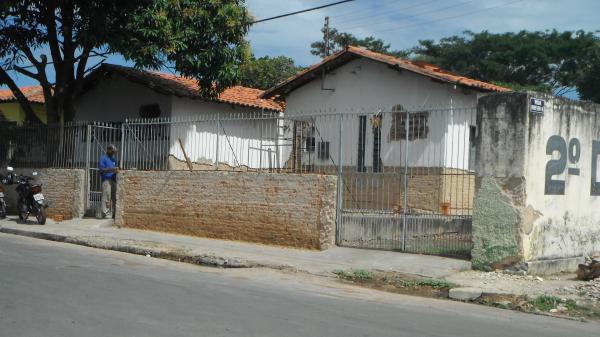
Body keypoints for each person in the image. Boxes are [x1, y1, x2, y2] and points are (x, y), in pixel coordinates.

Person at [98, 144, 118, 219]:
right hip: (106, 180)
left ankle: (114, 213)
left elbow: (115, 169)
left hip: (113, 180)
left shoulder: (113, 160)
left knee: (114, 197)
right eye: (112, 151)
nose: (113, 153)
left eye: (114, 152)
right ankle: (106, 213)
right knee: (106, 197)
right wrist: (112, 169)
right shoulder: (103, 158)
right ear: (109, 150)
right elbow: (101, 169)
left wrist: (117, 170)